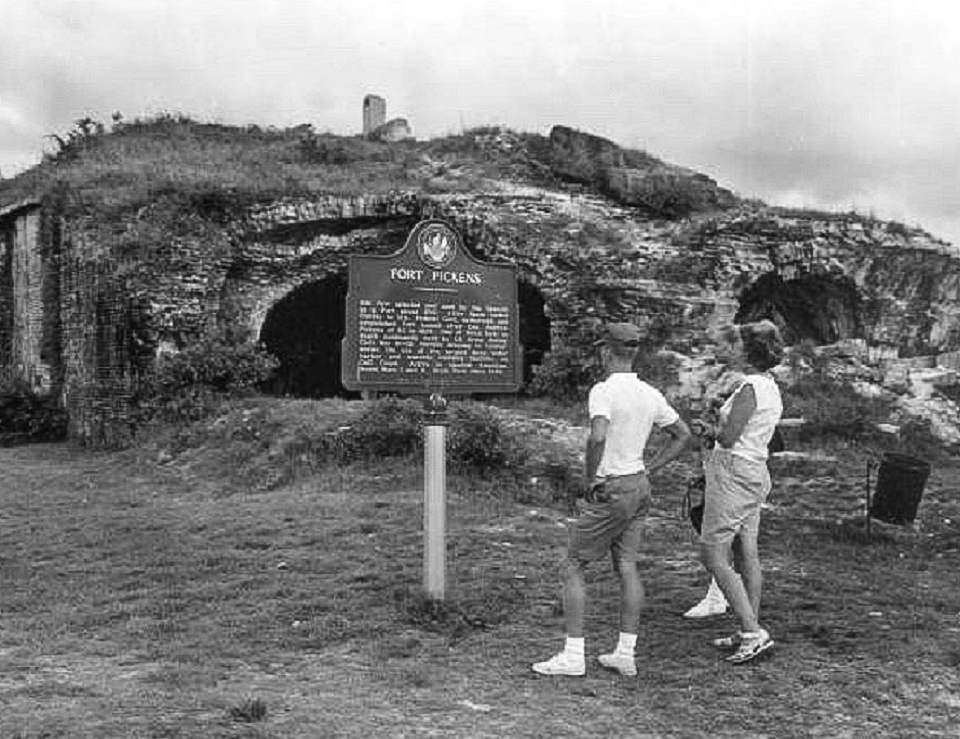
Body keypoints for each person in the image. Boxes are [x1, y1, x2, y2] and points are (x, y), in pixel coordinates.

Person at [532, 322, 691, 677]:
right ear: (633, 352)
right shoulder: (650, 394)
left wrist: (591, 478)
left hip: (612, 487)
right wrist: (649, 467)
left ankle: (573, 655)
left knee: (574, 564)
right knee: (627, 566)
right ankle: (625, 652)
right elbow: (682, 435)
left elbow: (598, 435)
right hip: (639, 485)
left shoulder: (603, 391)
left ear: (606, 351)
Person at [695, 320, 784, 664]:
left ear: (748, 351)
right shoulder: (771, 386)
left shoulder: (749, 386)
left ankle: (751, 631)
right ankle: (749, 624)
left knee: (712, 554)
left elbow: (729, 438)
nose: (731, 349)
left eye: (736, 344)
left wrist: (710, 428)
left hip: (734, 472)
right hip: (754, 471)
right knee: (746, 552)